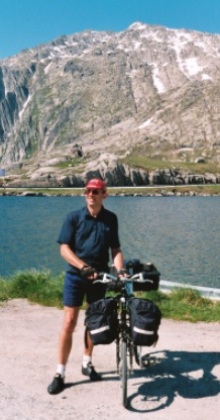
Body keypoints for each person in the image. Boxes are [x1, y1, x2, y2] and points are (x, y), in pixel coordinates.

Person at [48, 178, 127, 394]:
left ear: (104, 194)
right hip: (75, 276)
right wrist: (82, 267)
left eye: (95, 191)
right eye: (88, 191)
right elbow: (64, 249)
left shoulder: (111, 219)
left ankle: (86, 362)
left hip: (99, 278)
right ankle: (60, 373)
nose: (90, 194)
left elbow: (116, 249)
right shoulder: (73, 217)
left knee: (93, 322)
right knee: (69, 321)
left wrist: (121, 270)